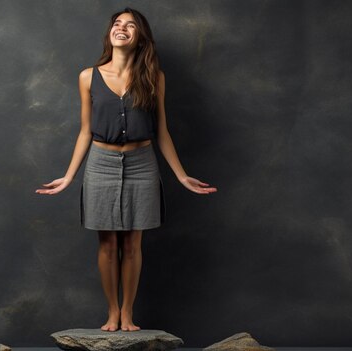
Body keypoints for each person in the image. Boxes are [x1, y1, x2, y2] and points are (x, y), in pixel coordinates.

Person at [35, 7, 217, 332]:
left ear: (140, 37)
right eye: (117, 23)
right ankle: (112, 312)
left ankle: (128, 314)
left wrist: (180, 174)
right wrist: (68, 176)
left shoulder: (154, 77)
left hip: (142, 163)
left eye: (130, 25)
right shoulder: (87, 76)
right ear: (110, 34)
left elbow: (162, 131)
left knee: (133, 244)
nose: (122, 28)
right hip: (100, 163)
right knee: (107, 243)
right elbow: (84, 131)